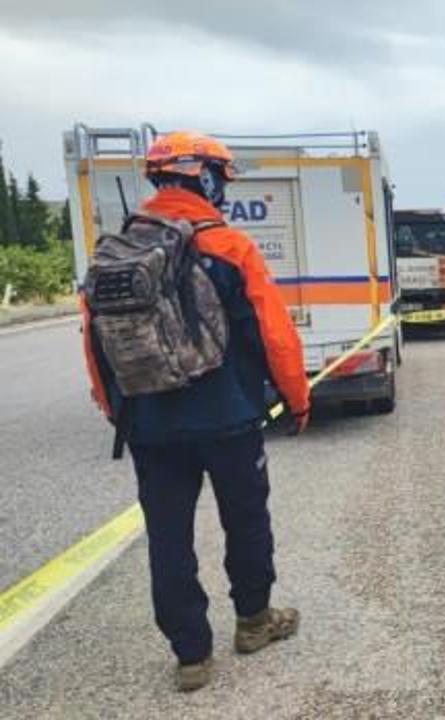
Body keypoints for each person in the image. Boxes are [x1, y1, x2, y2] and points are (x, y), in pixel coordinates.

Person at [81, 131, 311, 692]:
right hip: (228, 418)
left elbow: (94, 343)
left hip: (150, 425)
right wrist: (297, 399)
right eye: (222, 179)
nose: (225, 190)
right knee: (246, 520)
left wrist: (119, 412)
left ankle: (191, 656)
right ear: (205, 178)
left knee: (167, 535)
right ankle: (254, 622)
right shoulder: (230, 246)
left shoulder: (115, 250)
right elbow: (275, 335)